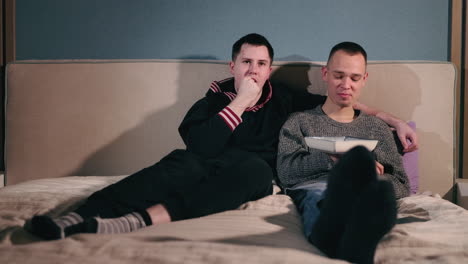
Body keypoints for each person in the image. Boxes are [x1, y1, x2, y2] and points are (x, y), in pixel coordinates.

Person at [29, 34, 416, 241]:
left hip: (253, 173)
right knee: (177, 165)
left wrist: (392, 120)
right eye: (246, 62)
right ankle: (77, 216)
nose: (254, 70)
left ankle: (132, 222)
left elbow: (343, 102)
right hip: (206, 159)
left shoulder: (284, 98)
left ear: (270, 69)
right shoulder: (215, 97)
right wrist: (240, 101)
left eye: (261, 64)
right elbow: (200, 146)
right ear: (233, 66)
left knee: (248, 171)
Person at [276, 41, 410, 264]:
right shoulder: (299, 121)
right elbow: (286, 174)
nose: (346, 85)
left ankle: (348, 233)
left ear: (364, 80)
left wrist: (373, 176)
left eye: (355, 78)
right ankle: (345, 233)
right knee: (323, 192)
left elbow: (402, 185)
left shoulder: (376, 128)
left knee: (376, 184)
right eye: (339, 76)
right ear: (325, 74)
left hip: (365, 190)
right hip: (318, 190)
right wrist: (332, 160)